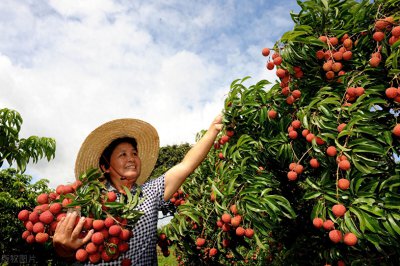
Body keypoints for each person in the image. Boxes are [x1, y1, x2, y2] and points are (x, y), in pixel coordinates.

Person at [53, 114, 223, 265]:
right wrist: (63, 248)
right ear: (105, 166)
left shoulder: (151, 191)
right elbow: (67, 251)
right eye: (123, 155)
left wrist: (213, 129)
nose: (132, 159)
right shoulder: (86, 198)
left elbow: (186, 165)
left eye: (134, 154)